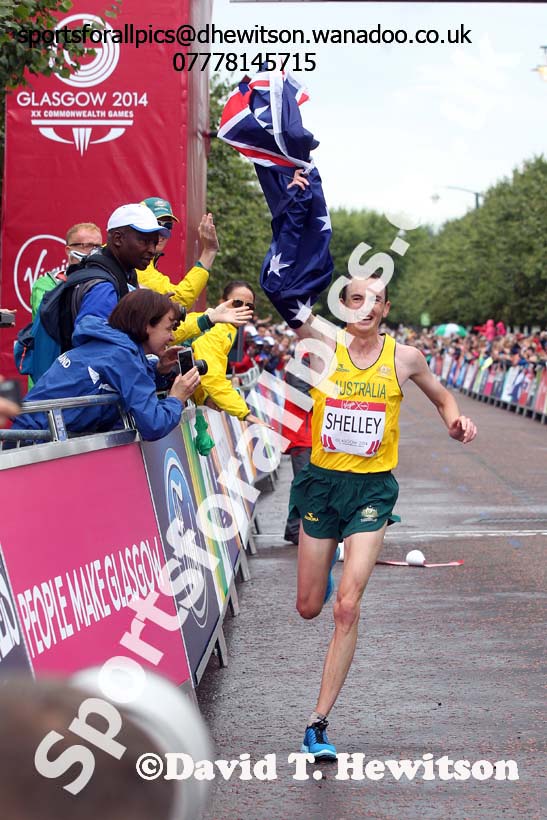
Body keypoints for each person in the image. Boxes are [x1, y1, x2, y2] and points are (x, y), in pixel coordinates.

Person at [289, 273, 477, 760]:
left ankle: (318, 724)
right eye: (356, 299)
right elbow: (288, 295)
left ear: (386, 307)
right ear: (345, 306)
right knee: (310, 606)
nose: (365, 307)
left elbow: (442, 397)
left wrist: (456, 422)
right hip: (321, 486)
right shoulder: (323, 344)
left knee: (346, 607)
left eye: (375, 300)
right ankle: (326, 578)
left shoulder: (405, 357)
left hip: (372, 491)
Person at [11, 290, 199, 441]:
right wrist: (176, 398)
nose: (172, 337)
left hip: (28, 435)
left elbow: (121, 380)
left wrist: (157, 369)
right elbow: (153, 425)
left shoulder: (112, 343)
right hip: (36, 442)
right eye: (168, 328)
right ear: (146, 325)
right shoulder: (122, 356)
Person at [191, 281, 264, 425]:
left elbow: (198, 370)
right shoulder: (219, 330)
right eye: (237, 303)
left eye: (249, 306)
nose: (243, 309)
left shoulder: (228, 329)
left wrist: (204, 398)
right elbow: (212, 377)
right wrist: (244, 413)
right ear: (222, 302)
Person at [30, 222, 103, 318]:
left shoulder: (104, 281)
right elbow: (47, 318)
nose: (95, 251)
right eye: (87, 246)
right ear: (68, 250)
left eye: (98, 246)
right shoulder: (47, 283)